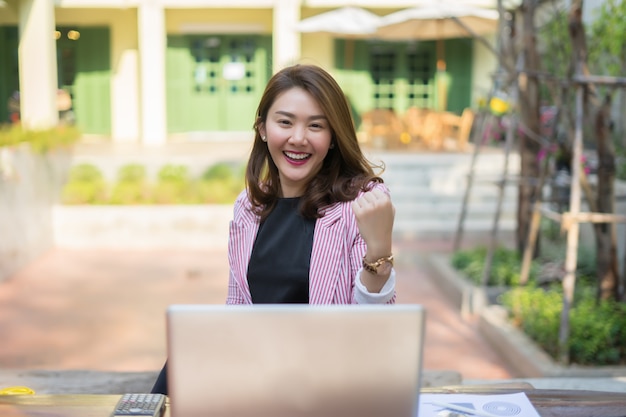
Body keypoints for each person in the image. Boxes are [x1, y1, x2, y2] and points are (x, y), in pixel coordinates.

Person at [151, 64, 396, 394]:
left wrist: (379, 251)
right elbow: (237, 305)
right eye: (285, 122)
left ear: (334, 137)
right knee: (184, 352)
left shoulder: (361, 204)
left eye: (316, 126)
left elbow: (373, 332)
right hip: (260, 370)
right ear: (263, 128)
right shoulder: (248, 207)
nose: (298, 138)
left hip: (326, 379)